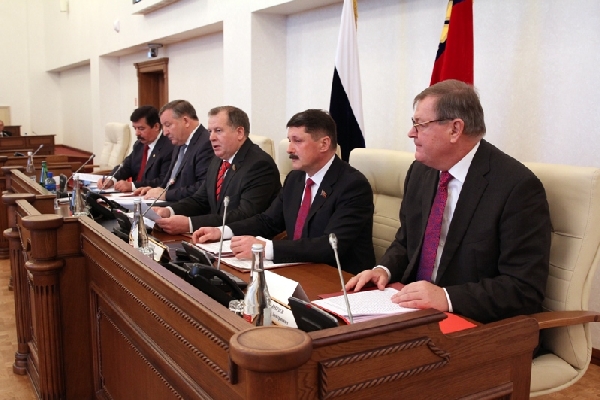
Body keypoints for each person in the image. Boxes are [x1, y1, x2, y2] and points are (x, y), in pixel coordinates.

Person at [346, 79, 551, 323]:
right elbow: (406, 241)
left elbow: (523, 288)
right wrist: (383, 270)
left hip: (476, 321)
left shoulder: (516, 188)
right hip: (412, 310)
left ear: (455, 129)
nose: (411, 133)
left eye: (420, 124)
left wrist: (446, 297)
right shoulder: (421, 171)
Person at [192, 109, 375, 275]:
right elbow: (268, 221)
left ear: (324, 144)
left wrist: (266, 248)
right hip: (298, 268)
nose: (289, 149)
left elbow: (329, 246)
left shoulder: (353, 185)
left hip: (339, 278)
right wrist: (222, 232)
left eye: (297, 141)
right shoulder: (295, 178)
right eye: (289, 141)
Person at [153, 106, 281, 234]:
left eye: (218, 131)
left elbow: (244, 215)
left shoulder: (259, 165)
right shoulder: (218, 160)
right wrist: (169, 211)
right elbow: (200, 199)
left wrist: (190, 224)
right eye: (210, 131)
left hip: (245, 240)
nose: (211, 137)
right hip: (215, 238)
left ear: (240, 133)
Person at [134, 100, 215, 202]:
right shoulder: (179, 143)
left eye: (167, 125)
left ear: (185, 121)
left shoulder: (206, 143)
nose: (164, 133)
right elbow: (171, 181)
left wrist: (166, 194)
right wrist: (156, 190)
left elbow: (203, 187)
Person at [96, 106, 174, 192]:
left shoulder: (169, 147)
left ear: (156, 126)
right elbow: (125, 167)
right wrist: (111, 179)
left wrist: (133, 186)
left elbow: (163, 181)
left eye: (141, 128)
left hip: (151, 196)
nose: (137, 133)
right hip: (133, 196)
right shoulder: (139, 145)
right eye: (135, 128)